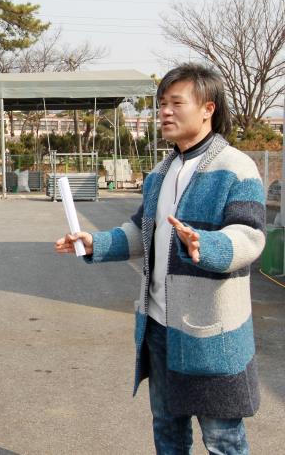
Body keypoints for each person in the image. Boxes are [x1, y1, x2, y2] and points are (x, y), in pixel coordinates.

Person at [55, 63, 265, 455]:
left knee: (223, 439)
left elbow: (250, 235)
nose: (164, 112)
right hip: (158, 326)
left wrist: (208, 245)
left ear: (207, 109)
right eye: (161, 104)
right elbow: (140, 231)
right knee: (168, 433)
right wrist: (94, 242)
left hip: (211, 332)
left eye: (175, 103)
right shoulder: (160, 173)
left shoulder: (235, 168)